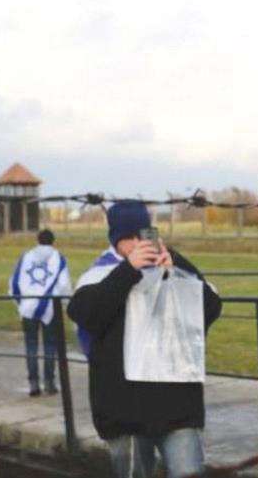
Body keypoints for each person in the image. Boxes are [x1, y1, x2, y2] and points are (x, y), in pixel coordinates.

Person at [67, 201, 222, 478]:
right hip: (123, 407)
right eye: (129, 239)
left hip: (176, 404)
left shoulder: (171, 266)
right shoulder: (100, 274)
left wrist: (179, 268)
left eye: (143, 237)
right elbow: (86, 315)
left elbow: (210, 308)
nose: (138, 244)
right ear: (116, 241)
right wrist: (128, 270)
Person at [9, 229, 72, 397]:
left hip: (28, 306)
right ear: (53, 240)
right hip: (50, 307)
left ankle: (33, 384)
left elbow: (14, 282)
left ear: (38, 240)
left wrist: (20, 304)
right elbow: (65, 285)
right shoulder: (58, 258)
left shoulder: (26, 257)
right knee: (50, 345)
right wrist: (65, 304)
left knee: (31, 345)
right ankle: (50, 382)